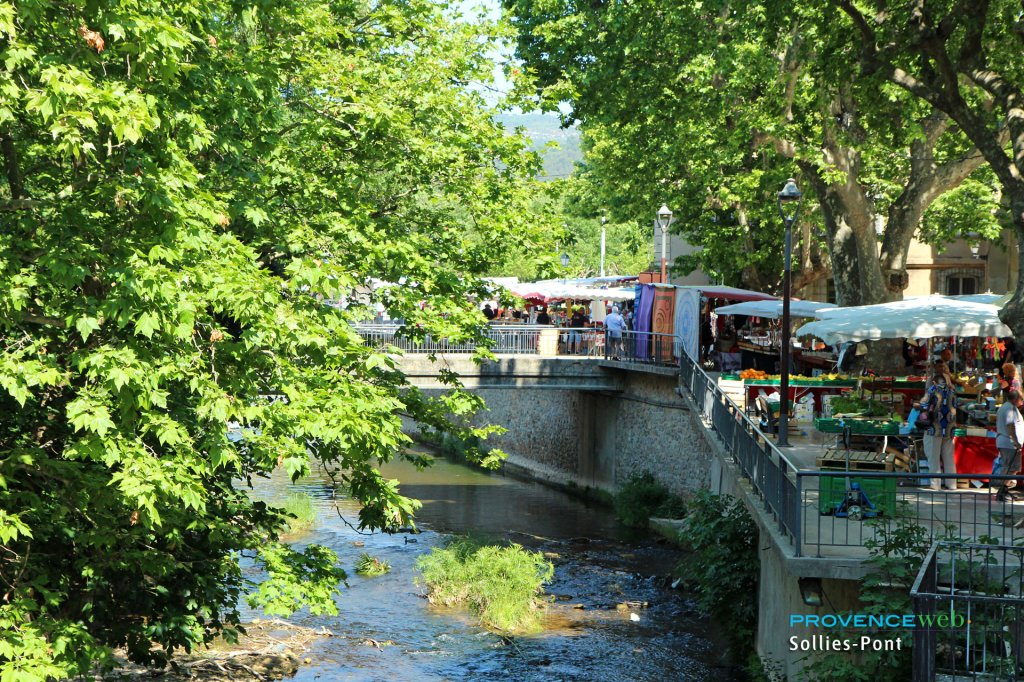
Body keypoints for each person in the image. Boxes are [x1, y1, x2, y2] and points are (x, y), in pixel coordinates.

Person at [918, 371, 959, 491]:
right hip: (949, 429)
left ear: (934, 382)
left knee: (933, 458)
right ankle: (952, 484)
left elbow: (923, 404)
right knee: (949, 458)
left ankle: (935, 484)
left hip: (934, 428)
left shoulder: (932, 389)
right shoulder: (952, 391)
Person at [995, 389, 1024, 502]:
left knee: (1012, 467)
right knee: (1012, 467)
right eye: (1021, 399)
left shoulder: (1007, 407)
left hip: (1007, 443)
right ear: (1016, 399)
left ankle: (1004, 490)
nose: (1022, 401)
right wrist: (1015, 442)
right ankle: (1002, 491)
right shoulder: (1010, 409)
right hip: (1009, 443)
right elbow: (1011, 427)